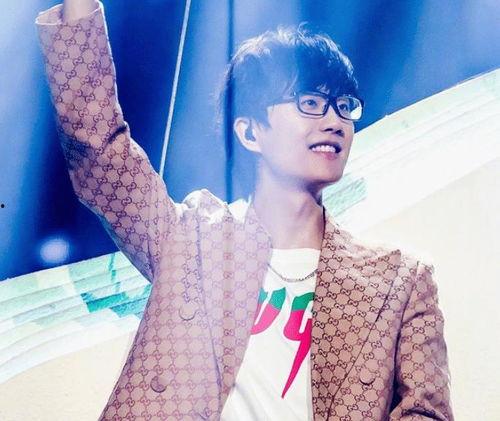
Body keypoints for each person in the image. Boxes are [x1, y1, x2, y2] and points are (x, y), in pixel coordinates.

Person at [36, 0, 453, 420]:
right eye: (310, 102)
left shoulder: (399, 280)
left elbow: (425, 413)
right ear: (251, 132)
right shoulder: (191, 239)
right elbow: (99, 149)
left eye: (344, 106)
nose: (334, 121)